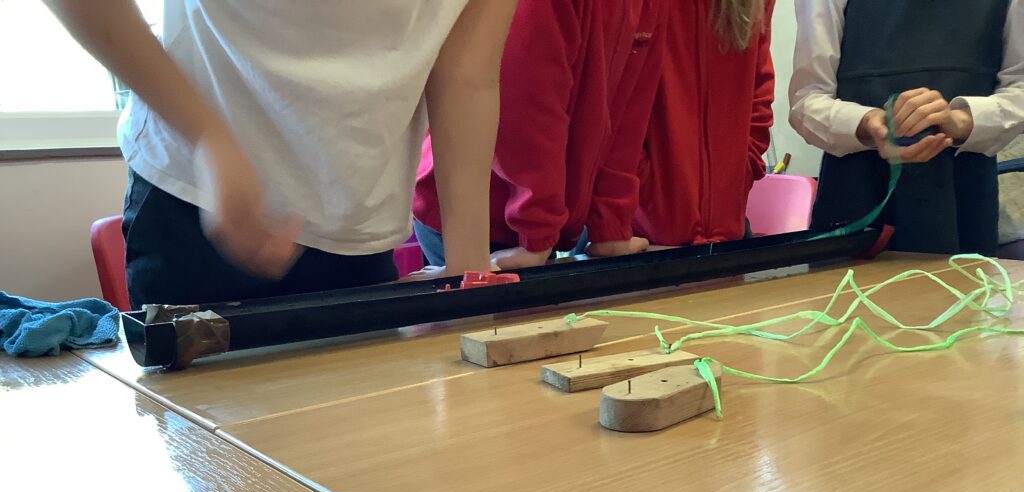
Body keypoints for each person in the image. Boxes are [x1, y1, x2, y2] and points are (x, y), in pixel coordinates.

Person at [44, 0, 516, 308]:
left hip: (360, 234)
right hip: (196, 211)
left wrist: (468, 263)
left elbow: (466, 76)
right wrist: (212, 142)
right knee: (212, 458)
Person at [413, 0, 667, 271]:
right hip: (482, 215)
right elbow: (526, 107)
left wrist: (611, 226)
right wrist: (535, 231)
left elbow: (628, 115)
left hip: (542, 221)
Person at [790, 0, 1024, 256]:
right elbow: (806, 100)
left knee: (962, 292)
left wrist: (961, 121)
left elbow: (1020, 89)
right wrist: (870, 123)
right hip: (858, 196)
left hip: (964, 198)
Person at [634, 0, 776, 246]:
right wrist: (644, 193)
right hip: (637, 238)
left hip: (728, 237)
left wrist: (741, 173)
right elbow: (609, 105)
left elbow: (759, 94)